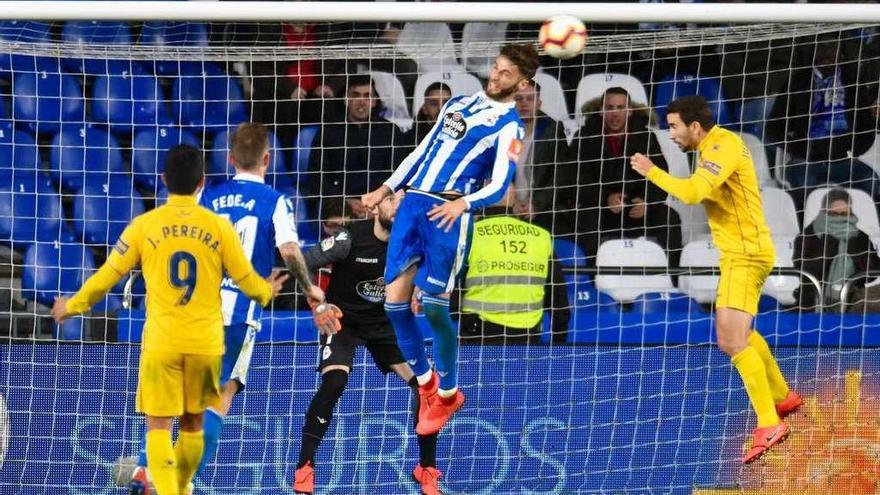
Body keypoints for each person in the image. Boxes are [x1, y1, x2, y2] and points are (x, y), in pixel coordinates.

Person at [50, 145, 287, 495]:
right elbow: (248, 281)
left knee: (158, 427)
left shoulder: (145, 226)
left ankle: (157, 481)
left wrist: (73, 304)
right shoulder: (218, 227)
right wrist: (267, 292)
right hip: (205, 342)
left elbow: (108, 275)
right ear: (202, 183)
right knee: (195, 420)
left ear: (163, 181)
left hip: (162, 341)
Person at [361, 43, 539, 436]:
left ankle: (451, 389)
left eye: (506, 73)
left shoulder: (511, 126)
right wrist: (385, 188)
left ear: (523, 83)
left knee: (436, 308)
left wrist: (463, 204)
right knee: (393, 308)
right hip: (411, 208)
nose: (495, 76)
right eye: (496, 68)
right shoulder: (457, 102)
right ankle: (428, 386)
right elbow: (421, 152)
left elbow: (498, 185)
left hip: (447, 215)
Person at [630, 95, 803, 464]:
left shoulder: (724, 144)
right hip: (738, 253)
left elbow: (693, 193)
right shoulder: (709, 148)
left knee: (730, 339)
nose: (670, 133)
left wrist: (651, 171)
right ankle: (782, 396)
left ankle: (769, 422)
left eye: (674, 126)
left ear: (695, 126)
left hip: (747, 253)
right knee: (741, 334)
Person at [292, 191, 442, 495]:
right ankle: (304, 468)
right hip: (342, 319)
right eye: (392, 200)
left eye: (404, 203)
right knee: (334, 382)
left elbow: (434, 274)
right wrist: (317, 305)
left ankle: (426, 469)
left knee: (428, 387)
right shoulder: (349, 239)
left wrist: (422, 293)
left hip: (385, 324)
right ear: (375, 208)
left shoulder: (413, 244)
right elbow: (303, 261)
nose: (398, 207)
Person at [566, 86, 682, 266]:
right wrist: (605, 198)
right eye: (610, 108)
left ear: (629, 111)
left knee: (669, 217)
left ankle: (675, 278)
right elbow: (575, 179)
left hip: (636, 209)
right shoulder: (585, 136)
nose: (615, 114)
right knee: (585, 217)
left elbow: (660, 177)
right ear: (601, 111)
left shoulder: (645, 137)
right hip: (601, 209)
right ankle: (589, 279)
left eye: (620, 108)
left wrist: (646, 202)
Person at [766, 35, 879, 207]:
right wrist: (801, 149)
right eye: (822, 47)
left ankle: (865, 232)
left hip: (843, 160)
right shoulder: (798, 82)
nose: (827, 52)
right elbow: (773, 129)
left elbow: (866, 126)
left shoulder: (852, 80)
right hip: (807, 161)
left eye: (833, 47)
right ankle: (807, 233)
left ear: (841, 52)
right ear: (814, 51)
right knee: (806, 186)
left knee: (870, 180)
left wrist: (853, 150)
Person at [456, 205, 570, 344]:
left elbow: (453, 288)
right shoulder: (541, 236)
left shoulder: (471, 233)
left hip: (478, 335)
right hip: (528, 336)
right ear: (514, 203)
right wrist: (559, 343)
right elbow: (559, 297)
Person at [306, 74, 411, 220]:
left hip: (380, 208)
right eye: (355, 95)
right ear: (346, 99)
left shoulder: (390, 131)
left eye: (367, 96)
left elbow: (399, 175)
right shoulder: (328, 131)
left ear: (374, 101)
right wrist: (344, 202)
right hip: (338, 209)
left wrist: (377, 201)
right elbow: (316, 176)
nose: (361, 101)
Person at [794, 188, 880, 312]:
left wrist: (853, 249)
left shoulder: (859, 236)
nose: (840, 218)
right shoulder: (809, 235)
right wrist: (831, 244)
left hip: (851, 298)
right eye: (834, 214)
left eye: (844, 214)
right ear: (825, 212)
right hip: (814, 298)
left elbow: (871, 272)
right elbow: (805, 268)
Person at [511, 80, 575, 234]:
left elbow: (560, 177)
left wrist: (536, 205)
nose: (524, 104)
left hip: (544, 209)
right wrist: (510, 203)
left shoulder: (552, 132)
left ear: (538, 103)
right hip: (507, 208)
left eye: (530, 99)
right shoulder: (500, 131)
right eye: (519, 99)